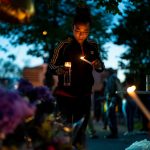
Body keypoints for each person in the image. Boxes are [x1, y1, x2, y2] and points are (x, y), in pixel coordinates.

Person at [48, 5, 105, 149]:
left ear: (89, 30)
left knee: (80, 132)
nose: (81, 35)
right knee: (64, 131)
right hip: (65, 95)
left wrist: (97, 64)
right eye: (78, 31)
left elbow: (100, 68)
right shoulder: (63, 45)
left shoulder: (93, 46)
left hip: (84, 96)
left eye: (85, 31)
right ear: (73, 28)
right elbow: (51, 67)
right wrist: (59, 69)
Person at [104, 68, 124, 138]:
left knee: (111, 116)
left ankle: (114, 133)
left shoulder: (111, 78)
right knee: (111, 115)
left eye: (105, 72)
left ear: (108, 72)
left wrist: (109, 96)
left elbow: (111, 89)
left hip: (112, 99)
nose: (104, 73)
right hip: (114, 99)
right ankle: (113, 132)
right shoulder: (113, 78)